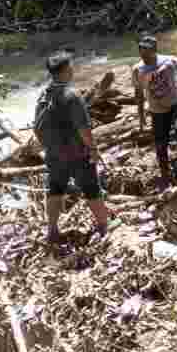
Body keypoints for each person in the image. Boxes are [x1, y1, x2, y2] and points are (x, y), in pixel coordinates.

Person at [33, 51, 110, 245]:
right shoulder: (72, 95)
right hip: (76, 154)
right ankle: (103, 227)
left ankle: (52, 230)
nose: (73, 69)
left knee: (55, 190)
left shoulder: (45, 94)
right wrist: (93, 149)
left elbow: (37, 125)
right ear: (66, 70)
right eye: (71, 66)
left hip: (53, 153)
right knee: (92, 189)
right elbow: (83, 128)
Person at [132, 35, 177, 189]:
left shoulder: (168, 62)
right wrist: (140, 117)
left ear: (155, 50)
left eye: (147, 50)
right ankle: (165, 177)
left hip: (175, 104)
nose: (143, 54)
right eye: (141, 50)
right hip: (157, 111)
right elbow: (138, 94)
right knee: (160, 145)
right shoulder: (137, 70)